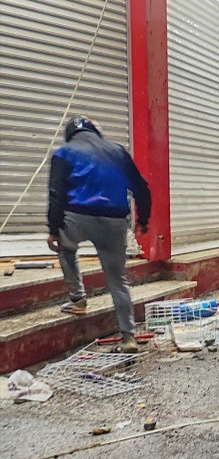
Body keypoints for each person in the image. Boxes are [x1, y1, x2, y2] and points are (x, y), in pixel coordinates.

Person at [47, 116, 151, 353]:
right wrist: (143, 220)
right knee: (118, 280)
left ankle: (78, 299)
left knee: (66, 248)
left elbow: (56, 193)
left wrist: (53, 230)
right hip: (114, 222)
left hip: (77, 218)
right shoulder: (117, 151)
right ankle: (129, 336)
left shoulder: (64, 153)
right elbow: (141, 188)